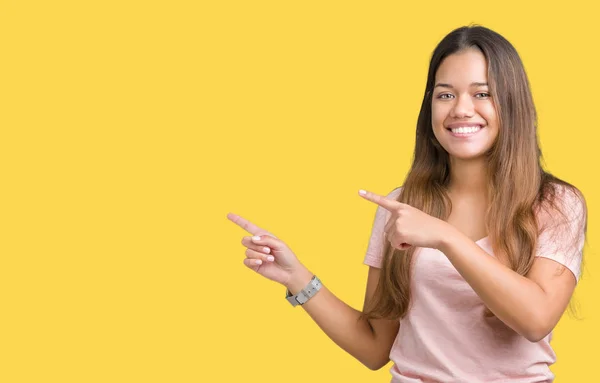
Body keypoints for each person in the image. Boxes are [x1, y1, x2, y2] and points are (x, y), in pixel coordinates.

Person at [227, 25, 587, 382]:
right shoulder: (403, 207)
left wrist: (445, 237)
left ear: (512, 103)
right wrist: (297, 278)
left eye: (482, 94)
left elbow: (536, 320)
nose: (461, 109)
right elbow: (374, 347)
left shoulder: (555, 204)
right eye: (445, 95)